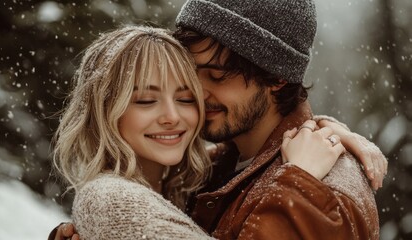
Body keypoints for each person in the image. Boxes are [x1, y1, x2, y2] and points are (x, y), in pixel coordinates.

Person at [50, 0, 388, 239]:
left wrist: (296, 186)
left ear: (277, 77)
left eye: (217, 75)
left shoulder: (328, 195)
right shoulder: (214, 168)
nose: (198, 91)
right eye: (193, 72)